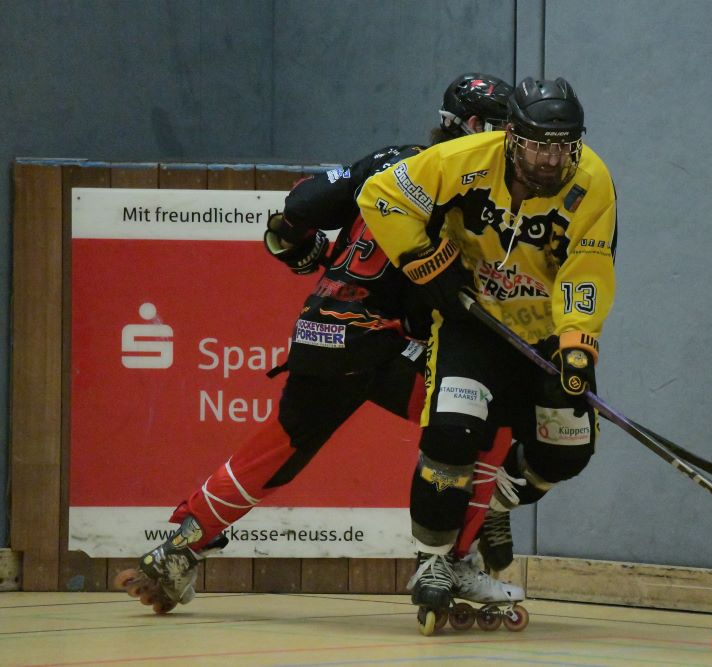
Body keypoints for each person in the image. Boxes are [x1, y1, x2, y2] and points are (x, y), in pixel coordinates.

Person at [116, 73, 523, 615]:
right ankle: (458, 560)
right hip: (377, 337)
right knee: (485, 416)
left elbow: (295, 213)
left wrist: (300, 250)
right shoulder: (473, 189)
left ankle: (179, 544)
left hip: (320, 329)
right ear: (473, 129)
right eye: (503, 134)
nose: (510, 149)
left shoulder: (391, 160)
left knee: (279, 447)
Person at [358, 76, 617, 620]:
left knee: (567, 450)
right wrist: (427, 263)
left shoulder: (591, 182)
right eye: (538, 145)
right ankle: (434, 562)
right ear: (511, 139)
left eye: (561, 146)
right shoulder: (464, 159)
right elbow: (380, 196)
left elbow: (586, 267)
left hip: (544, 333)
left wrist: (577, 344)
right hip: (471, 322)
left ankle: (496, 506)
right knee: (451, 433)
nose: (550, 160)